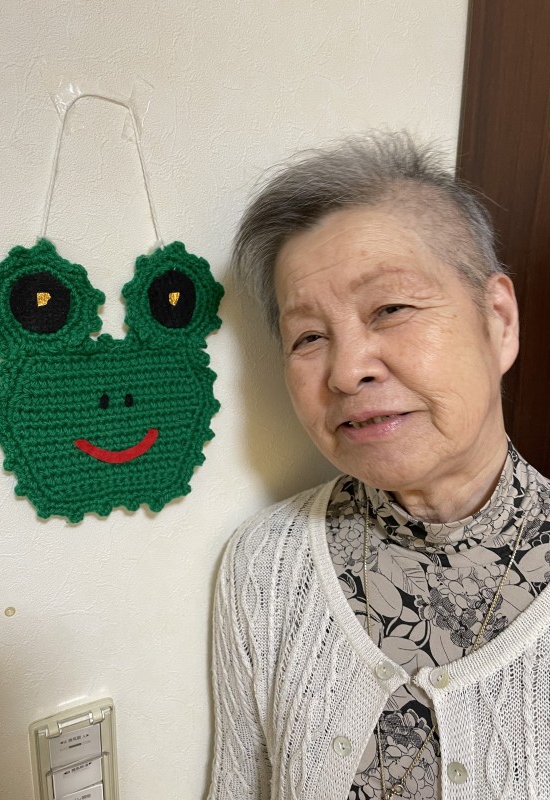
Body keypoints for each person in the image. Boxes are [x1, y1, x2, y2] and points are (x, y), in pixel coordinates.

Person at [207, 133, 550, 800]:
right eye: (309, 336)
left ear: (499, 322)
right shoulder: (265, 565)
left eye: (390, 309)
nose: (346, 371)